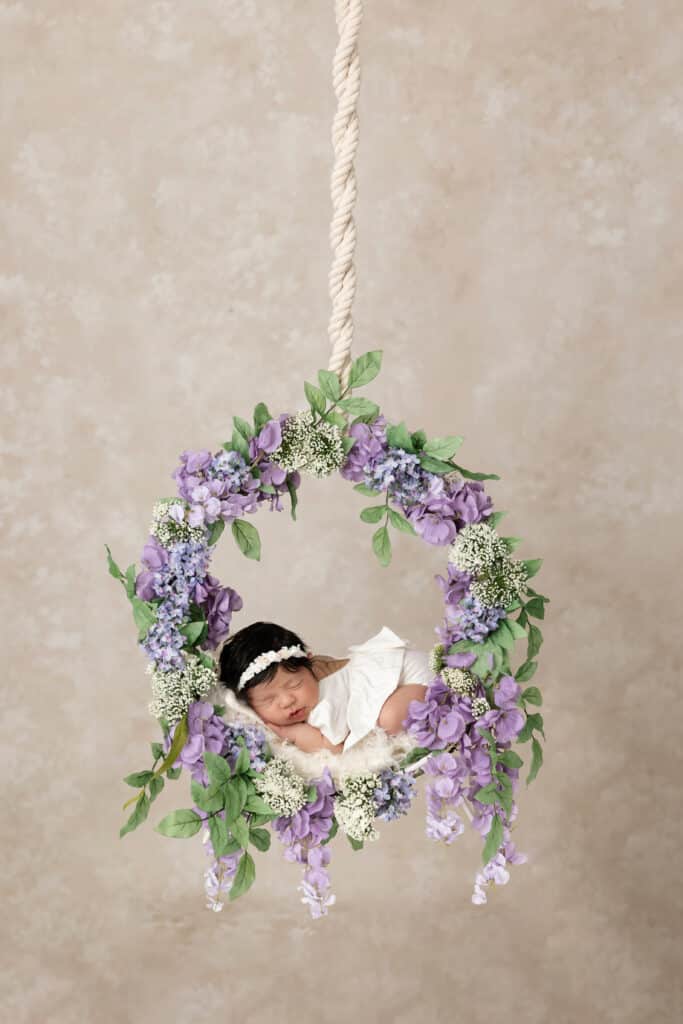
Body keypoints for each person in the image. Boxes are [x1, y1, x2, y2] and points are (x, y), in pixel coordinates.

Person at [217, 620, 432, 754]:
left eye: (294, 684)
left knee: (390, 719)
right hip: (402, 675)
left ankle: (440, 698)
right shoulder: (312, 684)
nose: (287, 701)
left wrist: (289, 732)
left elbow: (334, 749)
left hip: (415, 679)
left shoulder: (324, 702)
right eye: (269, 700)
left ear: (310, 664)